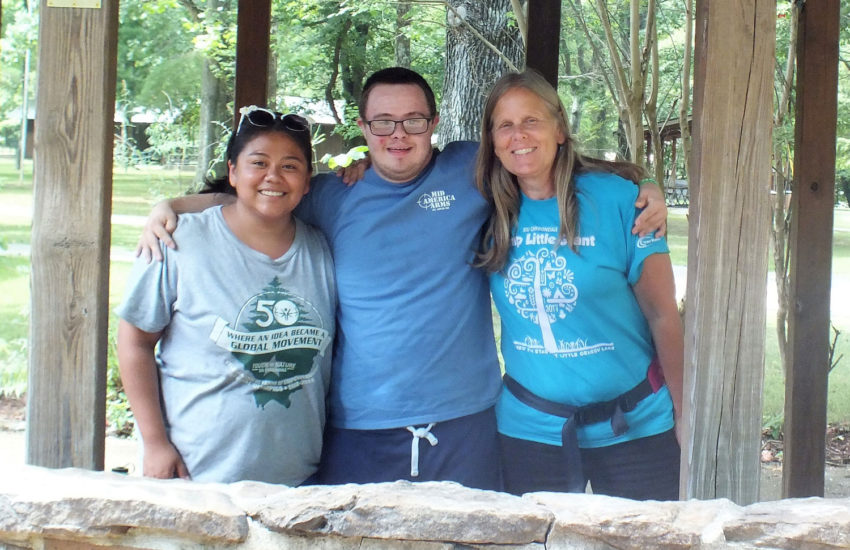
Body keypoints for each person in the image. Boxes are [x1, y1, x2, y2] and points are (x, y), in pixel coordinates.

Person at [136, 67, 668, 490]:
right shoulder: (332, 195)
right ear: (363, 128)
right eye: (383, 122)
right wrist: (173, 204)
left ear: (434, 125)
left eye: (413, 120)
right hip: (360, 424)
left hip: (466, 421)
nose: (398, 134)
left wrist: (643, 184)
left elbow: (544, 155)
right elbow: (262, 191)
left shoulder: (471, 170)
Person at [475, 69, 684, 500]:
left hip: (635, 425)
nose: (519, 136)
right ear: (492, 140)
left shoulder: (621, 201)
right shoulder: (484, 207)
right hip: (531, 430)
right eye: (505, 126)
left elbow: (664, 315)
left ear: (560, 129)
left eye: (531, 120)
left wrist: (687, 413)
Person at [117, 106, 336, 485]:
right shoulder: (177, 241)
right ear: (233, 171)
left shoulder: (322, 249)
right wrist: (154, 443)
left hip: (299, 481)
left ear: (307, 182)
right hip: (197, 475)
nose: (273, 176)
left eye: (290, 166)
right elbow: (134, 342)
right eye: (258, 162)